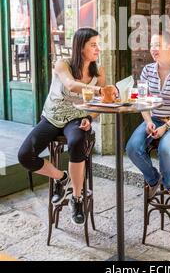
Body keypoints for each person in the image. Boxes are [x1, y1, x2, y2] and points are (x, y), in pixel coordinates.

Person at [18, 27, 113, 225]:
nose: (98, 49)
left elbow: (100, 105)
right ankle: (62, 178)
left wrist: (91, 117)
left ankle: (77, 198)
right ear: (81, 47)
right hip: (52, 116)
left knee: (78, 141)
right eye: (93, 45)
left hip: (77, 118)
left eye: (98, 44)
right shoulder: (63, 64)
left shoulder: (99, 71)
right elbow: (70, 85)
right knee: (25, 155)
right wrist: (99, 89)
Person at [126, 31, 170, 202]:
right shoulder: (147, 71)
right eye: (151, 45)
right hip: (155, 119)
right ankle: (154, 179)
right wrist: (148, 121)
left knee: (165, 148)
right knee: (132, 148)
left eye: (157, 45)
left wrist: (166, 127)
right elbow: (142, 101)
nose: (153, 49)